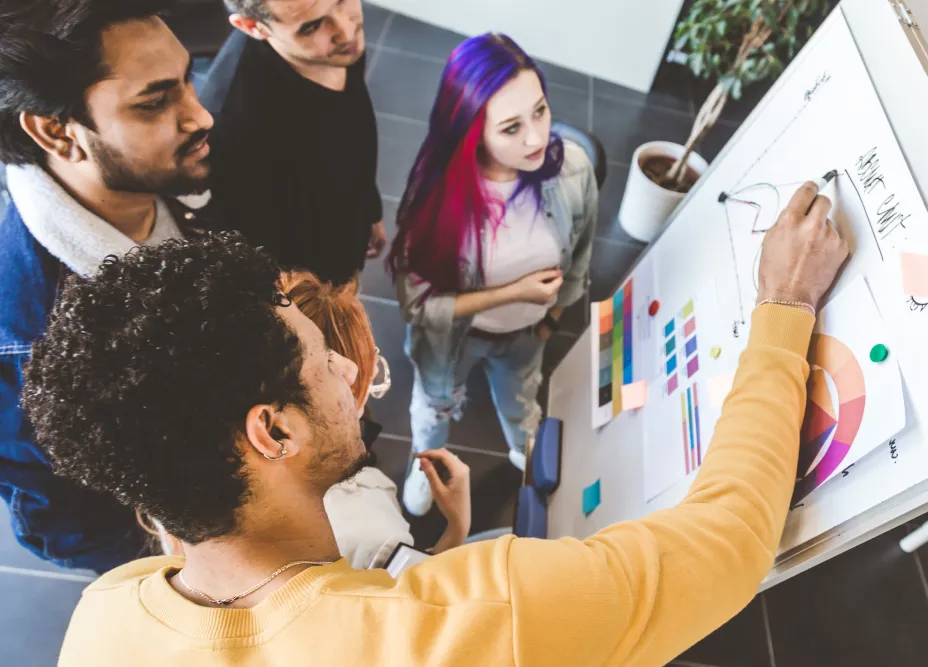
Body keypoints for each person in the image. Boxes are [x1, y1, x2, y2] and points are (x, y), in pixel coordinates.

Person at [27, 178, 846, 666]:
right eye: (324, 362)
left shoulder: (106, 614)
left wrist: (440, 551)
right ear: (273, 432)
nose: (351, 371)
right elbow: (731, 541)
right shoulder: (486, 618)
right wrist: (784, 305)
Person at [0, 0, 215, 572]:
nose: (201, 116)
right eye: (154, 102)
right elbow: (66, 518)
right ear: (57, 132)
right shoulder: (28, 335)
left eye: (190, 80)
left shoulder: (187, 172)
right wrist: (186, 571)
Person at [386, 34, 598, 516]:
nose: (537, 138)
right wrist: (513, 293)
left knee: (523, 403)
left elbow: (581, 252)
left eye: (540, 111)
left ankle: (524, 454)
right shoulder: (438, 198)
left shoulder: (573, 170)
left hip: (527, 333)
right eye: (511, 127)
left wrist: (551, 317)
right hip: (453, 339)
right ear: (471, 132)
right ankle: (427, 467)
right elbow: (418, 305)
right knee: (433, 411)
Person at [280, 272, 473, 567]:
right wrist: (457, 528)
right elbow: (411, 596)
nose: (355, 373)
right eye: (335, 368)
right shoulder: (372, 534)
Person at [199, 0, 384, 287]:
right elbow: (255, 248)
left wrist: (369, 211)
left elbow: (354, 129)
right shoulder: (233, 124)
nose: (347, 31)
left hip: (347, 221)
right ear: (253, 27)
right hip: (308, 274)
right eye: (311, 26)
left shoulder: (336, 46)